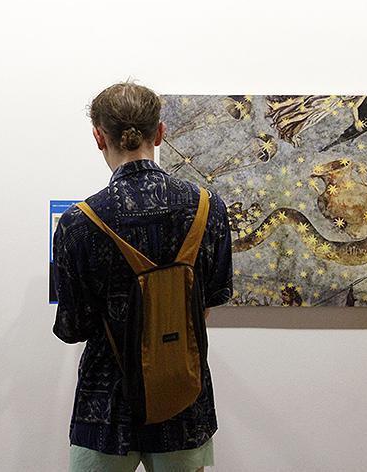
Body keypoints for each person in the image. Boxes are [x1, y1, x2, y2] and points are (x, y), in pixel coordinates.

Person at [52, 82, 233, 471]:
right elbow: (211, 299)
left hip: (106, 406)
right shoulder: (207, 207)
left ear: (99, 137)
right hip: (181, 397)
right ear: (161, 132)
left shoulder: (78, 224)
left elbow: (73, 327)